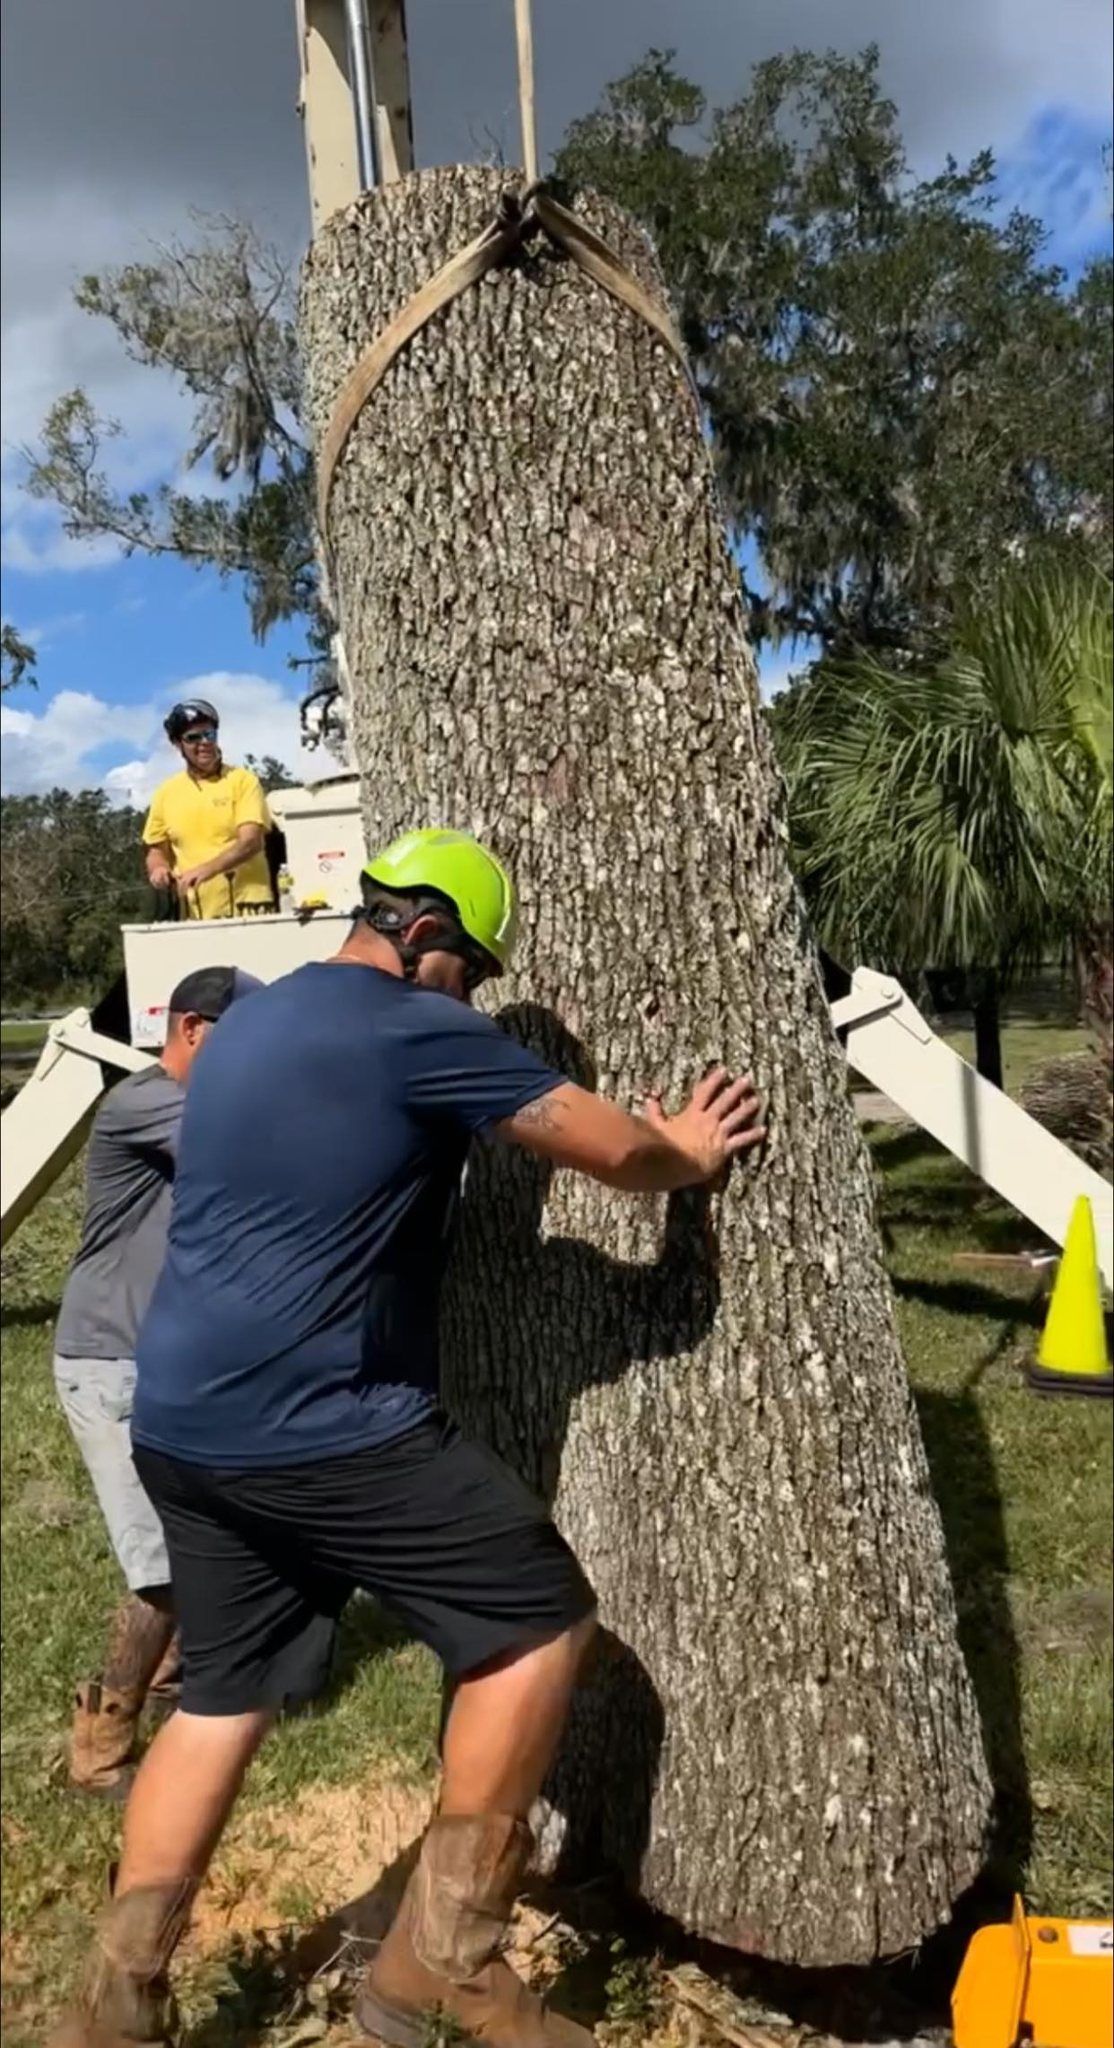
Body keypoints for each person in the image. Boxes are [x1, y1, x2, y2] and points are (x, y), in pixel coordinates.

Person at [53, 828, 765, 2048]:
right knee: (538, 1621)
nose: (474, 994)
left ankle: (117, 2000)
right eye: (473, 968)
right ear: (425, 931)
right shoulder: (410, 1026)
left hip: (180, 1413)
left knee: (220, 1691)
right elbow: (612, 1148)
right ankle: (445, 1963)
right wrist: (689, 1154)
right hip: (316, 1416)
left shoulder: (252, 1026)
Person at [53, 966, 264, 1800]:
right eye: (246, 1043)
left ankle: (182, 1690)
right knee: (164, 1568)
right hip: (108, 1363)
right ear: (194, 1031)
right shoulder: (148, 1103)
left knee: (212, 1530)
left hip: (168, 1360)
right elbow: (255, 1139)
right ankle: (99, 1748)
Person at [142, 700, 275, 920]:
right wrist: (158, 868)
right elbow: (155, 848)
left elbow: (251, 842)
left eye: (209, 735)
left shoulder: (243, 781)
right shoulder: (166, 792)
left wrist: (206, 870)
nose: (204, 743)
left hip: (248, 909)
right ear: (178, 744)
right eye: (193, 738)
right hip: (195, 913)